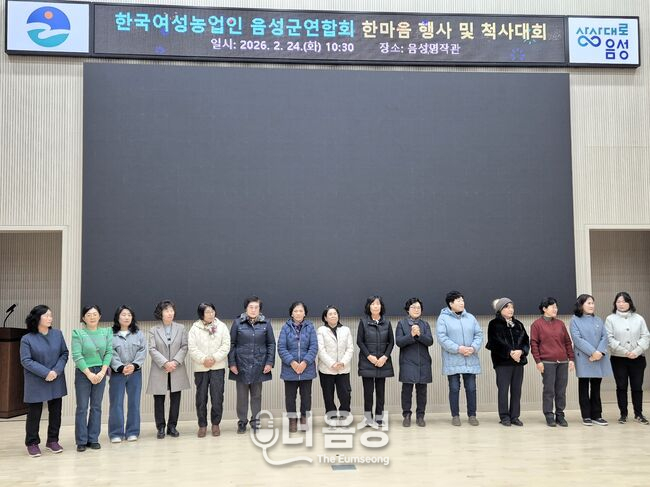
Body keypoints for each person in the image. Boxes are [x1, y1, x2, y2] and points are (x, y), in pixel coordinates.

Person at [20, 305, 69, 457]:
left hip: (56, 377)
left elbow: (64, 353)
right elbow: (26, 360)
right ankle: (32, 442)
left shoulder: (57, 334)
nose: (50, 318)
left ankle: (53, 440)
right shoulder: (27, 339)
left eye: (51, 315)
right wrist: (46, 373)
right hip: (36, 378)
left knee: (56, 411)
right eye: (46, 315)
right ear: (37, 318)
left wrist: (56, 371)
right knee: (34, 412)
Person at [228, 296, 275, 434]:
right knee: (241, 397)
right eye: (251, 307)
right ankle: (242, 422)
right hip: (241, 365)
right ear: (246, 308)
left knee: (256, 396)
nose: (253, 310)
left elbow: (271, 344)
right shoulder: (237, 323)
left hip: (259, 365)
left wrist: (269, 362)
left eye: (256, 307)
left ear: (260, 309)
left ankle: (255, 421)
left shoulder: (266, 323)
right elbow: (231, 344)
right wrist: (232, 363)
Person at [436, 291, 483, 426]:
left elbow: (479, 334)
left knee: (471, 388)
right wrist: (458, 348)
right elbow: (442, 338)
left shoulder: (470, 317)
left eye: (462, 300)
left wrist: (473, 348)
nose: (462, 303)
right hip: (453, 359)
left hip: (470, 358)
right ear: (451, 304)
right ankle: (455, 415)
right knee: (454, 388)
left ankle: (472, 415)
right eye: (458, 301)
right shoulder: (443, 318)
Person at [146, 299, 190, 439]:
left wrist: (174, 362)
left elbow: (184, 346)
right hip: (160, 368)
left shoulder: (181, 328)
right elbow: (152, 349)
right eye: (167, 310)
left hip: (176, 368)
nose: (170, 313)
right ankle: (160, 427)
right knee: (159, 399)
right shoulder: (154, 330)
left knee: (175, 398)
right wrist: (165, 363)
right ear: (161, 313)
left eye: (172, 310)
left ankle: (172, 426)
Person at [71, 305, 112, 451]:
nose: (92, 317)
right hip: (83, 373)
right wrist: (89, 374)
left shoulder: (107, 332)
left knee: (96, 407)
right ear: (83, 318)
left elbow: (109, 352)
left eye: (95, 314)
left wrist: (102, 372)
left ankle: (93, 438)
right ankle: (81, 441)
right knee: (82, 407)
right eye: (88, 315)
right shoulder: (78, 333)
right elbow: (77, 355)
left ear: (100, 316)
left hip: (100, 372)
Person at [605, 291, 650, 425]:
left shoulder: (639, 318)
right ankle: (623, 414)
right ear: (615, 304)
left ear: (629, 303)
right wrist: (625, 351)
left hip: (637, 358)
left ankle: (638, 414)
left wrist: (636, 351)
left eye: (624, 301)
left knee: (637, 387)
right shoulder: (610, 319)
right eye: (618, 301)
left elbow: (646, 336)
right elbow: (609, 339)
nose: (621, 304)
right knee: (621, 387)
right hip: (619, 358)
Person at [188, 302, 230, 438]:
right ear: (201, 314)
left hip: (217, 366)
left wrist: (214, 358)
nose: (210, 314)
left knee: (217, 396)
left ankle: (216, 424)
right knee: (201, 398)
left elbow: (226, 346)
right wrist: (204, 359)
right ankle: (202, 425)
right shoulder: (194, 328)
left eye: (212, 311)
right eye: (207, 312)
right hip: (201, 367)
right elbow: (192, 348)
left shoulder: (222, 326)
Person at [530, 297, 574, 427]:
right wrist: (538, 361)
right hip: (547, 362)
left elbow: (567, 342)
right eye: (552, 307)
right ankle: (549, 415)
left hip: (563, 362)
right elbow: (534, 344)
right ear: (544, 308)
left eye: (556, 307)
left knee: (561, 390)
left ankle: (560, 415)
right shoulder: (536, 324)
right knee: (549, 390)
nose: (555, 309)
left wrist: (571, 359)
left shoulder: (560, 324)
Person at [486, 297, 529, 427]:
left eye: (512, 307)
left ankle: (515, 416)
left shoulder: (518, 324)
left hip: (518, 362)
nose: (511, 309)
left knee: (517, 390)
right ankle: (504, 416)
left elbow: (525, 341)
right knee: (503, 390)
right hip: (502, 363)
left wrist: (521, 351)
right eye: (507, 307)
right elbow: (494, 342)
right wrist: (510, 352)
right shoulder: (494, 324)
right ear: (500, 309)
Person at [570, 294, 612, 426]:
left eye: (592, 303)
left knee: (596, 387)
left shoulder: (598, 320)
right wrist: (593, 352)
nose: (591, 305)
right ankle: (586, 415)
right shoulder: (575, 320)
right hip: (584, 358)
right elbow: (577, 339)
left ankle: (597, 415)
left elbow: (605, 337)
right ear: (581, 305)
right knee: (584, 387)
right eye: (588, 303)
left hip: (599, 357)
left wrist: (599, 352)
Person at [108, 305, 146, 443]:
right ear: (118, 317)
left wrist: (134, 365)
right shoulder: (110, 334)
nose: (126, 317)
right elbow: (109, 351)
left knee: (134, 403)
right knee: (116, 403)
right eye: (123, 314)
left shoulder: (139, 334)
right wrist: (120, 367)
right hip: (117, 373)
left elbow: (143, 351)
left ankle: (132, 431)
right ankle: (116, 433)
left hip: (135, 373)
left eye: (129, 315)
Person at [278, 301, 318, 432]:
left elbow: (313, 347)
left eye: (301, 311)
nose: (298, 313)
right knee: (290, 398)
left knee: (306, 397)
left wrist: (305, 362)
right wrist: (293, 363)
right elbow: (281, 348)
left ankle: (304, 419)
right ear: (291, 313)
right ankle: (292, 420)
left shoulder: (310, 327)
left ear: (305, 313)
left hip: (307, 368)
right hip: (290, 369)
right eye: (295, 311)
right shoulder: (285, 328)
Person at [395, 297, 433, 427]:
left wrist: (419, 335)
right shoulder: (401, 324)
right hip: (407, 362)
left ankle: (420, 416)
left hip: (423, 362)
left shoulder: (425, 324)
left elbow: (430, 341)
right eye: (413, 307)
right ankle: (406, 415)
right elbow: (399, 342)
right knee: (407, 391)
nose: (416, 310)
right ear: (408, 310)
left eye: (418, 308)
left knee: (422, 391)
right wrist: (411, 335)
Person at [357, 295, 394, 426]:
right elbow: (360, 342)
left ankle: (379, 418)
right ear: (369, 307)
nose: (375, 306)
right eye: (373, 304)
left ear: (381, 306)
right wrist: (369, 357)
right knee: (368, 393)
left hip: (382, 362)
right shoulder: (363, 322)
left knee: (380, 392)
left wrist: (384, 357)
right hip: (367, 362)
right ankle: (368, 418)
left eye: (378, 303)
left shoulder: (387, 323)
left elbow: (391, 342)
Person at [317, 305, 353, 427]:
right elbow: (321, 350)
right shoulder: (321, 330)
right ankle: (331, 417)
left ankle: (345, 415)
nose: (333, 316)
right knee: (328, 395)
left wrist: (342, 362)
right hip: (326, 369)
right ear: (325, 318)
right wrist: (332, 364)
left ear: (338, 316)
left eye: (335, 313)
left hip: (343, 368)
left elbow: (350, 348)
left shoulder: (346, 330)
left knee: (345, 394)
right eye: (330, 314)